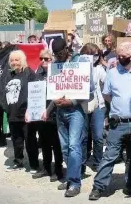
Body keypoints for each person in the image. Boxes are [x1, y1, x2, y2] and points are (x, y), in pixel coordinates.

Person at [89, 41, 131, 201]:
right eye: (118, 55)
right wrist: (117, 106)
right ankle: (98, 187)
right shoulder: (112, 72)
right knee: (110, 156)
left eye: (123, 56)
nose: (119, 58)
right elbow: (106, 94)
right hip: (117, 122)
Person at [50, 38, 93, 197]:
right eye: (55, 54)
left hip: (76, 110)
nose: (58, 56)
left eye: (60, 53)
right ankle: (71, 176)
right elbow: (53, 88)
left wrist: (72, 100)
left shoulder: (80, 62)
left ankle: (75, 182)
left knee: (75, 145)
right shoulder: (55, 66)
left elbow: (90, 90)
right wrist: (53, 101)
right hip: (60, 110)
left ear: (67, 49)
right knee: (65, 148)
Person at [30, 49, 64, 182]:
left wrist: (48, 110)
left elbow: (59, 95)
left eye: (47, 59)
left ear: (53, 60)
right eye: (41, 58)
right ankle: (46, 167)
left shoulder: (58, 74)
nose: (43, 61)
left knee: (56, 143)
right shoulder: (38, 73)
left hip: (54, 113)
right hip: (40, 113)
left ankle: (58, 170)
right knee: (43, 142)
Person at [3, 50, 35, 171]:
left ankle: (33, 163)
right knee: (16, 140)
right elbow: (3, 93)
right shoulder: (8, 75)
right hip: (12, 113)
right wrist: (6, 108)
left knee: (30, 140)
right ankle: (18, 161)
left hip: (26, 114)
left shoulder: (29, 73)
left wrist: (29, 109)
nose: (14, 62)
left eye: (17, 60)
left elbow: (34, 92)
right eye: (12, 60)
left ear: (22, 60)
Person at [80, 43, 107, 171]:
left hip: (98, 104)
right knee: (83, 136)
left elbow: (107, 82)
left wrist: (108, 67)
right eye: (90, 55)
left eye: (96, 55)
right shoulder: (78, 68)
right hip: (82, 104)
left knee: (98, 135)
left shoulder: (99, 68)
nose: (93, 57)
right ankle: (82, 162)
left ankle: (98, 162)